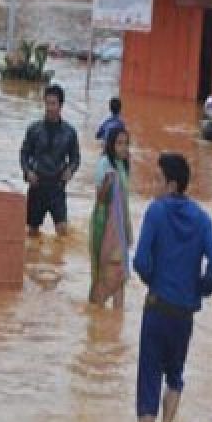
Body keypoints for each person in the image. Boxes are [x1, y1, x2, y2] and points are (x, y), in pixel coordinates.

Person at [132, 152, 212, 422]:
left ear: (171, 184)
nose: (154, 186)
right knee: (175, 375)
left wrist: (154, 280)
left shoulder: (156, 212)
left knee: (148, 381)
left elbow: (140, 262)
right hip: (184, 314)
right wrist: (200, 289)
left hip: (157, 308)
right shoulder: (202, 219)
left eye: (158, 180)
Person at [20, 84, 81, 237]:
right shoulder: (34, 129)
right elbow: (24, 154)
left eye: (53, 103)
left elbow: (75, 157)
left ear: (61, 105)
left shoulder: (70, 132)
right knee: (32, 232)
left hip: (57, 187)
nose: (49, 107)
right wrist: (27, 172)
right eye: (47, 103)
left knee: (62, 232)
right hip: (37, 186)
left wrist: (70, 170)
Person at [89, 128, 133, 309]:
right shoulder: (104, 164)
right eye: (119, 143)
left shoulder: (122, 164)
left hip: (119, 225)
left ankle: (116, 321)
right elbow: (100, 199)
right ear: (110, 145)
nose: (123, 148)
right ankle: (95, 313)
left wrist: (128, 229)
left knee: (119, 273)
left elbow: (124, 200)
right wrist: (107, 184)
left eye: (126, 143)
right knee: (104, 272)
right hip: (104, 224)